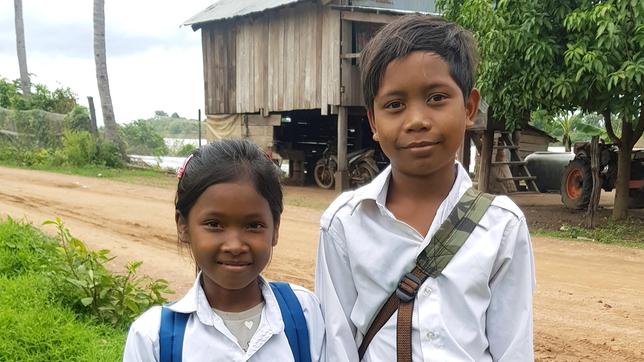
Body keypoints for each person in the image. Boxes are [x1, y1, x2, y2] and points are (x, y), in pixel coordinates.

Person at [315, 14, 535, 361]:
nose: (417, 120)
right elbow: (337, 343)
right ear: (373, 121)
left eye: (436, 98)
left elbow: (513, 347)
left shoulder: (502, 226)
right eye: (394, 105)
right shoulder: (344, 223)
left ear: (469, 108)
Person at [124, 139, 325, 361]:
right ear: (183, 226)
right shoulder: (153, 338)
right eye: (214, 224)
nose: (235, 246)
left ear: (275, 229)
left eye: (254, 225)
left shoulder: (304, 313)